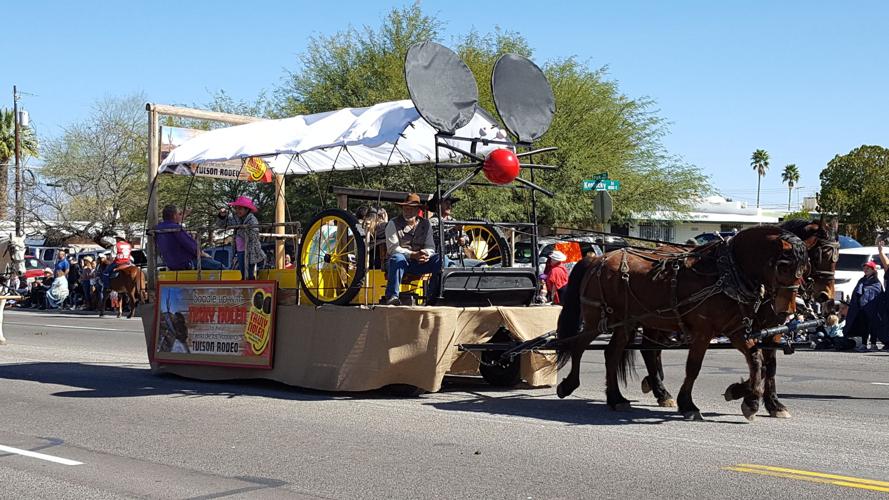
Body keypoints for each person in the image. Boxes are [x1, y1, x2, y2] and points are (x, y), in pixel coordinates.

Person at [381, 193, 442, 306]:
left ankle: (433, 296)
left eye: (411, 209)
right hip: (400, 262)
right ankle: (392, 296)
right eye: (405, 208)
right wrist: (413, 254)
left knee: (441, 259)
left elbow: (430, 247)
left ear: (418, 210)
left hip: (419, 262)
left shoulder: (426, 224)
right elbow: (393, 249)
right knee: (397, 258)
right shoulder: (393, 223)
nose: (407, 211)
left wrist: (425, 254)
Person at [156, 204, 225, 271]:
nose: (180, 215)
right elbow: (192, 247)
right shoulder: (177, 229)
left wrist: (185, 214)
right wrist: (204, 254)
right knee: (220, 267)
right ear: (174, 216)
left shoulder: (158, 228)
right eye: (179, 214)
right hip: (187, 263)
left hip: (171, 264)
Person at [217, 196, 265, 280]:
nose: (237, 211)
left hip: (250, 251)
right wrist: (222, 216)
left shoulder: (252, 220)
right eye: (236, 208)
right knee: (243, 273)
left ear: (247, 209)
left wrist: (240, 229)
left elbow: (253, 236)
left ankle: (250, 284)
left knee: (248, 273)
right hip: (239, 251)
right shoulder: (236, 218)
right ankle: (247, 283)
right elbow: (222, 225)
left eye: (240, 209)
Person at [843, 260, 884, 351]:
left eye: (868, 268)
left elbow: (878, 295)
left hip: (873, 308)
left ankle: (873, 344)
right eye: (864, 268)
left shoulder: (876, 282)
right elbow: (856, 292)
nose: (865, 270)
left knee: (873, 326)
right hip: (861, 308)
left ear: (873, 270)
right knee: (864, 326)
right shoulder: (861, 280)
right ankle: (864, 344)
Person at [428, 194, 475, 267]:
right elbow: (437, 236)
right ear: (437, 205)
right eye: (446, 203)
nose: (449, 206)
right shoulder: (431, 222)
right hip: (443, 260)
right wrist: (453, 230)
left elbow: (466, 238)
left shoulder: (454, 221)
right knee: (452, 266)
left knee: (482, 265)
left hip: (460, 259)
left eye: (450, 204)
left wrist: (463, 240)